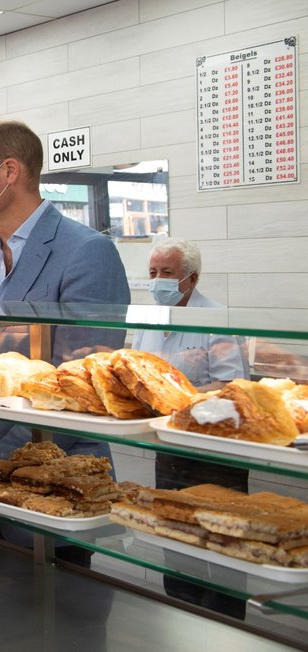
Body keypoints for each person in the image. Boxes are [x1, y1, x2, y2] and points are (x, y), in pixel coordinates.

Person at [0, 119, 130, 566]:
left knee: (60, 626)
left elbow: (81, 389)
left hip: (53, 481)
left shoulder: (87, 253)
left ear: (10, 171)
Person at [132, 237, 249, 619]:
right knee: (176, 534)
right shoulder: (149, 317)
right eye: (153, 273)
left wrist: (179, 394)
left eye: (167, 272)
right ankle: (180, 619)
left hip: (216, 451)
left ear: (191, 278)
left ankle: (228, 629)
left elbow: (231, 386)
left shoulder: (216, 317)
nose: (157, 280)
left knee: (224, 542)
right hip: (169, 445)